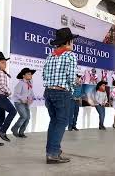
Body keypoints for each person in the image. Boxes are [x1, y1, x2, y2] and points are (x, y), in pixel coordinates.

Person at [43, 28, 78, 164]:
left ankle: (51, 151)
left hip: (49, 91)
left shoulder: (50, 56)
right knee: (62, 122)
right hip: (62, 92)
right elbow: (71, 76)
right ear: (68, 42)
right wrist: (72, 89)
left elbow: (44, 74)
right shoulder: (70, 56)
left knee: (54, 122)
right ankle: (53, 153)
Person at [11, 68, 36, 138]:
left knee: (27, 118)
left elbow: (31, 93)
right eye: (28, 74)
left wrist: (31, 99)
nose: (30, 75)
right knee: (24, 116)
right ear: (23, 76)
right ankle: (14, 128)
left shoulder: (29, 84)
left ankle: (21, 132)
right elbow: (16, 93)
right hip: (19, 102)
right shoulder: (21, 83)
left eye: (31, 74)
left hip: (25, 103)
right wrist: (22, 99)